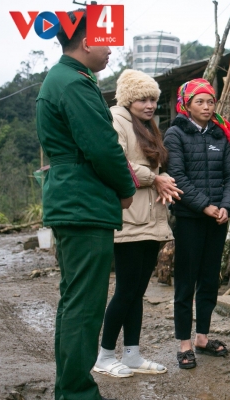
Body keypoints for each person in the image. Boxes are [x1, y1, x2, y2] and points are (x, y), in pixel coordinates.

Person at [36, 9, 136, 400]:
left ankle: (70, 387)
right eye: (107, 40)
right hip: (83, 201)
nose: (112, 49)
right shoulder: (75, 83)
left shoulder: (64, 79)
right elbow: (101, 146)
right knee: (85, 306)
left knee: (74, 302)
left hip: (73, 198)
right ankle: (76, 391)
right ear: (88, 42)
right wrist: (125, 187)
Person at [92, 69, 182, 378]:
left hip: (151, 219)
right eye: (143, 99)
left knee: (137, 290)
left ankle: (131, 354)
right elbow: (116, 161)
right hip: (129, 217)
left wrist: (160, 178)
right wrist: (154, 177)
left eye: (154, 99)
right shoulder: (116, 120)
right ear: (129, 99)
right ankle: (104, 355)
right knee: (126, 290)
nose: (150, 105)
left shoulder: (146, 125)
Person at [164, 78, 230, 369]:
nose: (207, 107)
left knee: (209, 280)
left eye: (210, 102)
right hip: (189, 219)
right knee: (185, 281)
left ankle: (202, 337)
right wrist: (206, 206)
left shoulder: (220, 136)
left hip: (217, 220)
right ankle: (184, 343)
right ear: (186, 104)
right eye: (200, 101)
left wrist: (226, 207)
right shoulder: (175, 134)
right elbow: (178, 178)